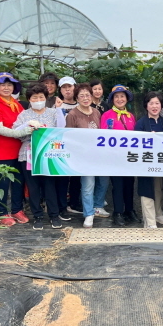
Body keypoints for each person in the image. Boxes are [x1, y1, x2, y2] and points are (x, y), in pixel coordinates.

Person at [13, 83, 66, 230]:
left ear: (46, 97)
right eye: (34, 97)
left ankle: (54, 215)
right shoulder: (24, 115)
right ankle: (38, 216)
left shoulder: (53, 112)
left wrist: (60, 110)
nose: (38, 100)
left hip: (48, 154)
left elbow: (61, 128)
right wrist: (27, 126)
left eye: (41, 97)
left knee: (50, 186)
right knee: (33, 187)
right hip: (28, 154)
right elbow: (15, 131)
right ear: (29, 99)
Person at [0, 72, 32, 226]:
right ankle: (1, 212)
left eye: (9, 85)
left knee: (18, 182)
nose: (6, 87)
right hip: (2, 150)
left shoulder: (16, 103)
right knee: (3, 183)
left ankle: (17, 209)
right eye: (3, 85)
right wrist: (19, 133)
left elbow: (24, 122)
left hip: (19, 150)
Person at [101, 85, 140, 226]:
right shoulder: (107, 115)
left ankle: (130, 210)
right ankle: (118, 212)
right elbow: (104, 137)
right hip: (114, 158)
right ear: (112, 99)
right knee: (117, 185)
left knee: (130, 185)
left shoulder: (131, 116)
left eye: (122, 96)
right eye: (116, 97)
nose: (119, 99)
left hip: (129, 157)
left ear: (126, 98)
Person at [65, 83, 102, 228]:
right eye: (82, 96)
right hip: (83, 157)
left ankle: (97, 207)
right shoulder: (73, 115)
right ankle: (89, 214)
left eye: (88, 95)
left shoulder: (96, 112)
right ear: (77, 98)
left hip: (98, 156)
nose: (86, 98)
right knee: (88, 185)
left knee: (102, 183)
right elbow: (69, 137)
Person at [135, 92, 163, 228]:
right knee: (146, 190)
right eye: (151, 103)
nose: (154, 106)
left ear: (161, 105)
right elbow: (135, 143)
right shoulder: (141, 123)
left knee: (158, 188)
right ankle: (149, 221)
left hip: (160, 162)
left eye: (157, 103)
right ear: (146, 106)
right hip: (145, 162)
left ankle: (158, 213)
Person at [55, 76, 81, 215]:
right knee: (62, 176)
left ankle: (75, 203)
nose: (67, 89)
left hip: (78, 146)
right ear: (60, 90)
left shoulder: (80, 104)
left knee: (77, 176)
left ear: (74, 87)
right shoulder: (56, 106)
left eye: (69, 86)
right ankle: (62, 206)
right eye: (64, 87)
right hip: (62, 145)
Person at [89, 79, 111, 216]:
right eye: (95, 88)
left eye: (100, 89)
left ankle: (99, 201)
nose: (97, 91)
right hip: (89, 146)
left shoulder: (106, 105)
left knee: (103, 175)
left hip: (105, 145)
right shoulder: (87, 105)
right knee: (90, 178)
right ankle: (93, 203)